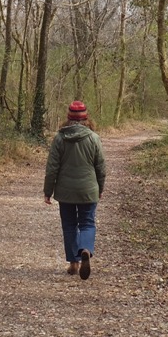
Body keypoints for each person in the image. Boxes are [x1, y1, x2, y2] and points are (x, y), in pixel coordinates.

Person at [43, 100, 106, 280]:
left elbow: (52, 167)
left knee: (69, 225)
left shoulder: (60, 138)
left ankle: (74, 263)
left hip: (65, 191)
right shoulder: (94, 138)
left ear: (68, 118)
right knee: (87, 222)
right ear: (86, 118)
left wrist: (48, 191)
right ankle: (85, 249)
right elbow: (101, 167)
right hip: (88, 189)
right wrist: (100, 188)